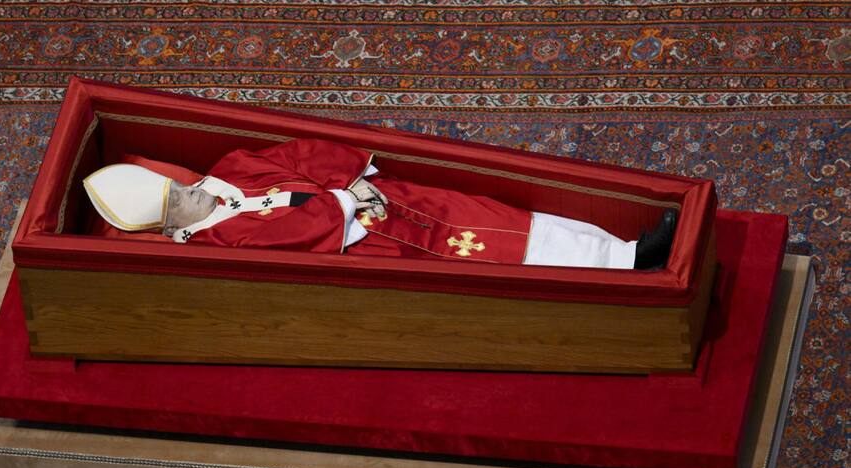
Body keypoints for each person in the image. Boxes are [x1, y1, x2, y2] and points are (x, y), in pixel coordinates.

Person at [83, 138, 677, 270]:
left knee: (505, 218)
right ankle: (624, 273)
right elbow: (292, 241)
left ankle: (622, 249)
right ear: (171, 225)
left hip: (397, 202)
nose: (196, 189)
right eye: (184, 198)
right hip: (382, 247)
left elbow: (299, 156)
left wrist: (351, 178)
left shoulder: (229, 171)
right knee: (501, 258)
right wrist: (344, 200)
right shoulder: (219, 244)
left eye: (184, 183)